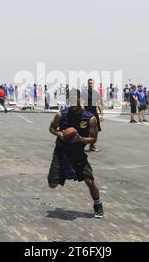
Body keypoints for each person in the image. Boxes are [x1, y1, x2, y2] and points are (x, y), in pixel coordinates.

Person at [47, 88, 103, 218]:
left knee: (90, 181)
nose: (73, 102)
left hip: (78, 153)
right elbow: (51, 128)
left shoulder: (90, 118)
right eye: (71, 99)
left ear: (81, 100)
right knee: (52, 184)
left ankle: (98, 204)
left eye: (76, 99)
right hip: (61, 152)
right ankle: (65, 172)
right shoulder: (61, 115)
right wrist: (59, 133)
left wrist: (82, 139)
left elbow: (94, 139)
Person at [82, 79, 104, 152]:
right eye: (89, 83)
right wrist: (81, 113)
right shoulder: (84, 93)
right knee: (84, 130)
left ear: (93, 84)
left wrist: (101, 114)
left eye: (92, 83)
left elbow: (99, 104)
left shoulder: (96, 93)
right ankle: (81, 145)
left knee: (96, 130)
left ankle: (92, 146)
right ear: (87, 84)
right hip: (86, 114)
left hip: (94, 114)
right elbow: (82, 103)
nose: (91, 84)